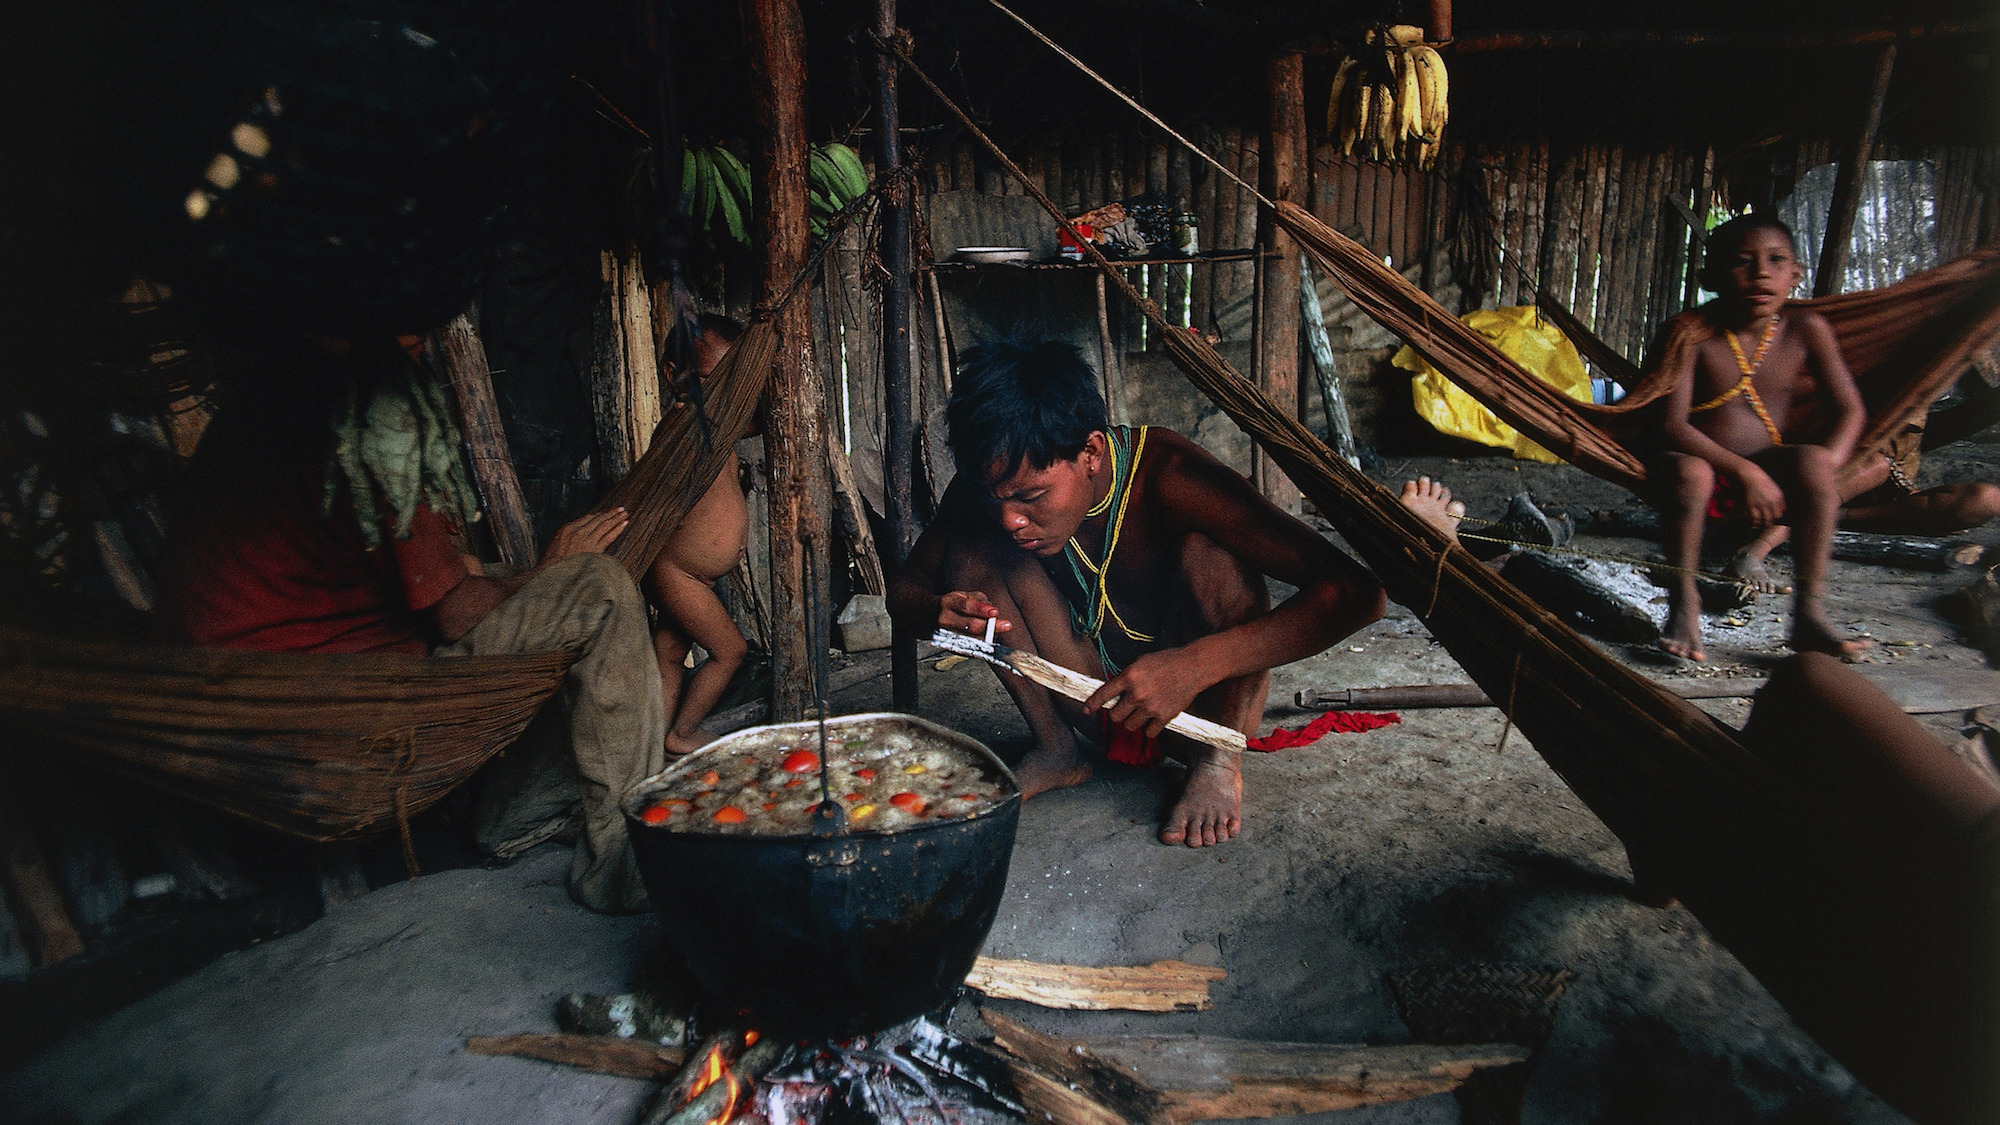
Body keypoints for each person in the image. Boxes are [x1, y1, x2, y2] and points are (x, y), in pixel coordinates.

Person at [155, 338, 664, 913]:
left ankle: (516, 812)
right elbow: (455, 614)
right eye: (406, 331)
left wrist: (519, 577)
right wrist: (553, 571)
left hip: (254, 688)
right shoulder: (366, 425)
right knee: (598, 590)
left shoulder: (264, 410)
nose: (419, 343)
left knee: (518, 583)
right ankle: (624, 872)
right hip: (347, 711)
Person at [888, 338, 1384, 847]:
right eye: (998, 499)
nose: (1012, 518)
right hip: (1090, 699)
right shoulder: (996, 483)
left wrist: (1193, 666)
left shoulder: (1171, 476)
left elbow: (1358, 594)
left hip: (1199, 715)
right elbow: (904, 590)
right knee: (971, 553)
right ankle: (1057, 749)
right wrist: (932, 613)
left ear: (1091, 452)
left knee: (1210, 551)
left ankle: (1216, 764)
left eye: (1032, 496)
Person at [1649, 214, 1873, 662]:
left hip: (1771, 469)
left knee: (1813, 463)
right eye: (1742, 262)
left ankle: (1808, 614)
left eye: (1776, 261)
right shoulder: (1690, 333)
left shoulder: (1806, 328)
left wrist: (1828, 468)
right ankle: (1685, 602)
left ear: (1796, 274)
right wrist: (1745, 471)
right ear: (1710, 277)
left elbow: (1851, 410)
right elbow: (1670, 426)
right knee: (1692, 473)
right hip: (1699, 464)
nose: (1761, 274)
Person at [647, 314, 752, 756]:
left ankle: (652, 742)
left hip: (688, 576)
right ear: (674, 376)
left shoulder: (718, 425)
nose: (720, 392)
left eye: (732, 380)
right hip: (676, 574)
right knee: (731, 651)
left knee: (669, 656)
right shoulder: (682, 426)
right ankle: (682, 733)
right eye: (710, 379)